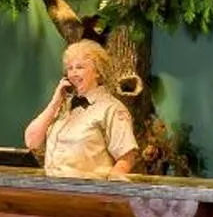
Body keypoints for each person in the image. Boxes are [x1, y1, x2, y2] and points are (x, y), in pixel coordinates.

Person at [24, 39, 139, 179]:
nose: (73, 74)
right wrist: (55, 102)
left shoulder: (111, 109)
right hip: (52, 191)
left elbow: (127, 156)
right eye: (70, 68)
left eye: (80, 67)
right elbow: (31, 142)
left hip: (88, 194)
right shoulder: (62, 106)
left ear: (98, 72)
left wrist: (111, 187)